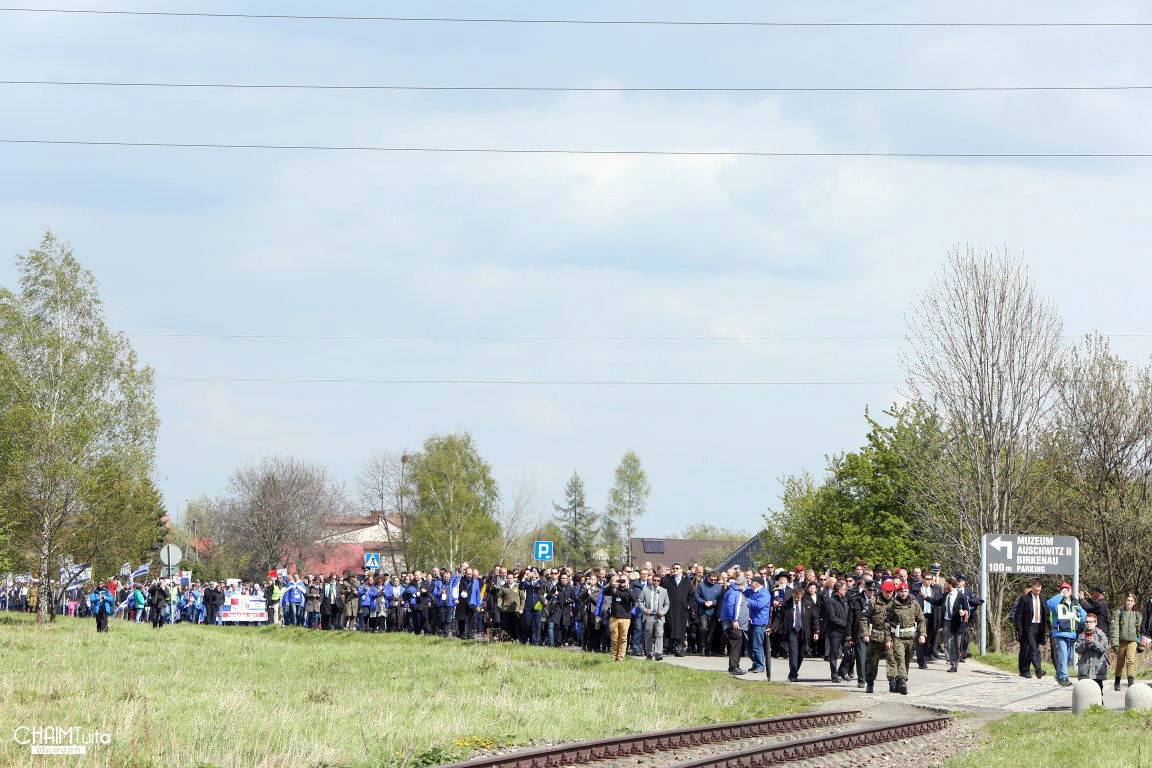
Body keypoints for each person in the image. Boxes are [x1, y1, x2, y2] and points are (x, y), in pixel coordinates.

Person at [883, 581, 925, 694]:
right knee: (899, 658)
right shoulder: (892, 605)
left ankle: (898, 681)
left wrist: (922, 634)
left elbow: (921, 619)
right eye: (901, 591)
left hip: (911, 637)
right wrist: (887, 639)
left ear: (908, 591)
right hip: (898, 637)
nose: (903, 593)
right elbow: (886, 623)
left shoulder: (914, 603)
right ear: (897, 592)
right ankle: (902, 681)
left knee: (906, 660)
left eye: (905, 591)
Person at [771, 585, 815, 682]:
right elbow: (779, 618)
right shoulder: (787, 604)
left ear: (802, 596)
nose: (797, 599)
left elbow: (814, 618)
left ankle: (793, 673)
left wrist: (816, 631)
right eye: (795, 597)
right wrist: (772, 628)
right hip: (792, 631)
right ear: (793, 594)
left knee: (801, 654)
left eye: (799, 597)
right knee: (793, 653)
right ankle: (794, 673)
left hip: (803, 632)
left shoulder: (807, 603)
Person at [1048, 583, 1086, 687]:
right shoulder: (1058, 602)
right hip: (1060, 633)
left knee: (1069, 656)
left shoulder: (1075, 603)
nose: (1065, 591)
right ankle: (1064, 678)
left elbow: (1084, 617)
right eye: (1062, 589)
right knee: (1063, 655)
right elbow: (1050, 604)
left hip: (1072, 634)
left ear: (1070, 591)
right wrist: (1060, 594)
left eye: (1067, 589)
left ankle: (1059, 675)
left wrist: (1081, 613)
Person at [926, 578, 967, 673]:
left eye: (945, 584)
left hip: (957, 623)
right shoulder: (945, 595)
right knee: (948, 643)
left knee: (957, 644)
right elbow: (937, 603)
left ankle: (956, 661)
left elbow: (967, 608)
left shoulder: (961, 596)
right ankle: (953, 664)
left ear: (949, 584)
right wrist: (926, 598)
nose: (944, 586)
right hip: (947, 622)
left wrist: (963, 612)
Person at [1011, 579, 1050, 679]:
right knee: (1033, 649)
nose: (1037, 592)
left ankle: (1025, 669)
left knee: (1032, 648)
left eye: (1039, 590)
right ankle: (1038, 670)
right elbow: (1018, 616)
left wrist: (1050, 627)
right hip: (1028, 627)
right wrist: (1018, 629)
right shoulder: (1025, 599)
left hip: (1039, 627)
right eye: (1036, 590)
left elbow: (1046, 614)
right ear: (1032, 588)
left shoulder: (1043, 599)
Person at [660, 563, 695, 657]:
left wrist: (689, 605)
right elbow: (661, 593)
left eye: (677, 568)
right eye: (673, 568)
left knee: (680, 628)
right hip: (669, 609)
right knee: (670, 626)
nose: (675, 569)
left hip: (682, 609)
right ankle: (669, 647)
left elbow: (692, 596)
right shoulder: (667, 581)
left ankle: (679, 648)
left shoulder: (687, 582)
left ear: (681, 570)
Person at [1110, 593, 1141, 690]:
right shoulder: (1118, 613)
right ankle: (1117, 682)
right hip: (1121, 641)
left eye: (1132, 601)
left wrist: (1140, 643)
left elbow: (1140, 630)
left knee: (1130, 661)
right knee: (1120, 662)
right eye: (1128, 600)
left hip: (1132, 641)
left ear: (1134, 602)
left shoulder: (1137, 615)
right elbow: (1114, 629)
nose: (1129, 602)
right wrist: (1114, 643)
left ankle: (1130, 683)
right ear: (1125, 601)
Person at [601, 575, 635, 662]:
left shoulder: (629, 591)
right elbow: (604, 592)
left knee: (623, 639)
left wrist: (627, 588)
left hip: (625, 618)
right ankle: (613, 657)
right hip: (614, 617)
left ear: (628, 581)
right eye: (621, 580)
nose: (622, 582)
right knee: (614, 639)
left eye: (624, 580)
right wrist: (612, 584)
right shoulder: (615, 590)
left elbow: (634, 599)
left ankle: (621, 658)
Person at [822, 580, 850, 681]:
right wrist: (845, 624)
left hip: (845, 631)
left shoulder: (845, 599)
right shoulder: (830, 601)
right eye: (844, 589)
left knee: (850, 652)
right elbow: (832, 617)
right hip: (835, 632)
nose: (846, 591)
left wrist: (849, 625)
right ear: (839, 590)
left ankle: (842, 670)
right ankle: (834, 675)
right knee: (834, 654)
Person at [638, 571, 669, 660]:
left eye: (658, 581)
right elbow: (639, 601)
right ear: (652, 580)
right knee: (648, 634)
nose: (656, 582)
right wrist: (645, 610)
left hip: (659, 616)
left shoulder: (664, 591)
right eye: (654, 580)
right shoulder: (646, 590)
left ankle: (658, 653)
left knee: (660, 634)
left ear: (660, 581)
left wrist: (663, 611)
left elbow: (667, 604)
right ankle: (649, 653)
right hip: (649, 615)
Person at [1076, 613, 1110, 691]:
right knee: (1084, 693)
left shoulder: (1101, 635)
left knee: (1098, 693)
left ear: (1095, 623)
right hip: (1085, 669)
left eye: (1091, 622)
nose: (1088, 624)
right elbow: (1077, 650)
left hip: (1097, 669)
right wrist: (1085, 643)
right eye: (1087, 622)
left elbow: (1103, 648)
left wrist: (1093, 642)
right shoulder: (1082, 635)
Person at [746, 576, 772, 675]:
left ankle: (760, 665)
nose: (750, 583)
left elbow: (759, 605)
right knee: (749, 645)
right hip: (751, 622)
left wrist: (747, 600)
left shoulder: (764, 593)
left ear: (756, 583)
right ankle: (755, 663)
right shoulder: (751, 592)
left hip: (759, 623)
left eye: (752, 582)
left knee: (757, 645)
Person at [694, 570, 724, 657]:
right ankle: (702, 648)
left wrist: (713, 602)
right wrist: (703, 602)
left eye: (715, 580)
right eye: (711, 579)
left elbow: (720, 599)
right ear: (708, 577)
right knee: (703, 628)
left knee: (710, 631)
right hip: (703, 611)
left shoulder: (718, 587)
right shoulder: (701, 585)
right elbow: (696, 596)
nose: (713, 581)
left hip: (713, 612)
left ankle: (708, 649)